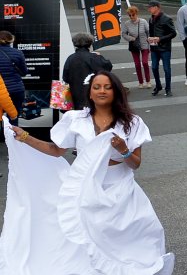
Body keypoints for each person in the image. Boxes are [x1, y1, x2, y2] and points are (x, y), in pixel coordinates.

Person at [6, 71, 174, 274]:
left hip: (121, 193)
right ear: (90, 93)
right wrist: (25, 137)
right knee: (86, 242)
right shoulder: (76, 120)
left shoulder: (133, 122)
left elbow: (135, 164)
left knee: (134, 238)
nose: (102, 91)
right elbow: (56, 150)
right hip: (85, 192)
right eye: (97, 87)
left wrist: (124, 150)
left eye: (107, 87)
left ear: (116, 91)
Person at [63, 33, 113, 110]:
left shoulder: (70, 58)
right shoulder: (94, 57)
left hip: (76, 96)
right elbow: (107, 67)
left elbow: (65, 78)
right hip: (93, 94)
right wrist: (99, 56)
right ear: (89, 44)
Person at [147, 1, 176, 97]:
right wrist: (150, 39)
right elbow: (151, 32)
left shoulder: (166, 19)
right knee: (154, 67)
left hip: (165, 48)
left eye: (150, 7)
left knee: (166, 69)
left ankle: (168, 88)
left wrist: (160, 39)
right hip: (154, 48)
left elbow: (173, 33)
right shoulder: (151, 19)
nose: (149, 9)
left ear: (157, 7)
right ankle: (158, 85)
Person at [120, 6, 153, 89]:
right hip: (134, 45)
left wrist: (149, 39)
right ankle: (140, 82)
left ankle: (148, 81)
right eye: (130, 15)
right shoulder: (127, 23)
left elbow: (149, 31)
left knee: (145, 62)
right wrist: (131, 38)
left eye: (133, 15)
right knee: (137, 64)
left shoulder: (143, 21)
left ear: (136, 14)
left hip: (144, 44)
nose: (131, 17)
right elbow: (123, 34)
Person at [0, 31, 26, 125]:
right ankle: (13, 138)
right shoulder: (18, 53)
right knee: (14, 117)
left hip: (0, 91)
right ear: (11, 40)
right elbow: (24, 72)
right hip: (16, 90)